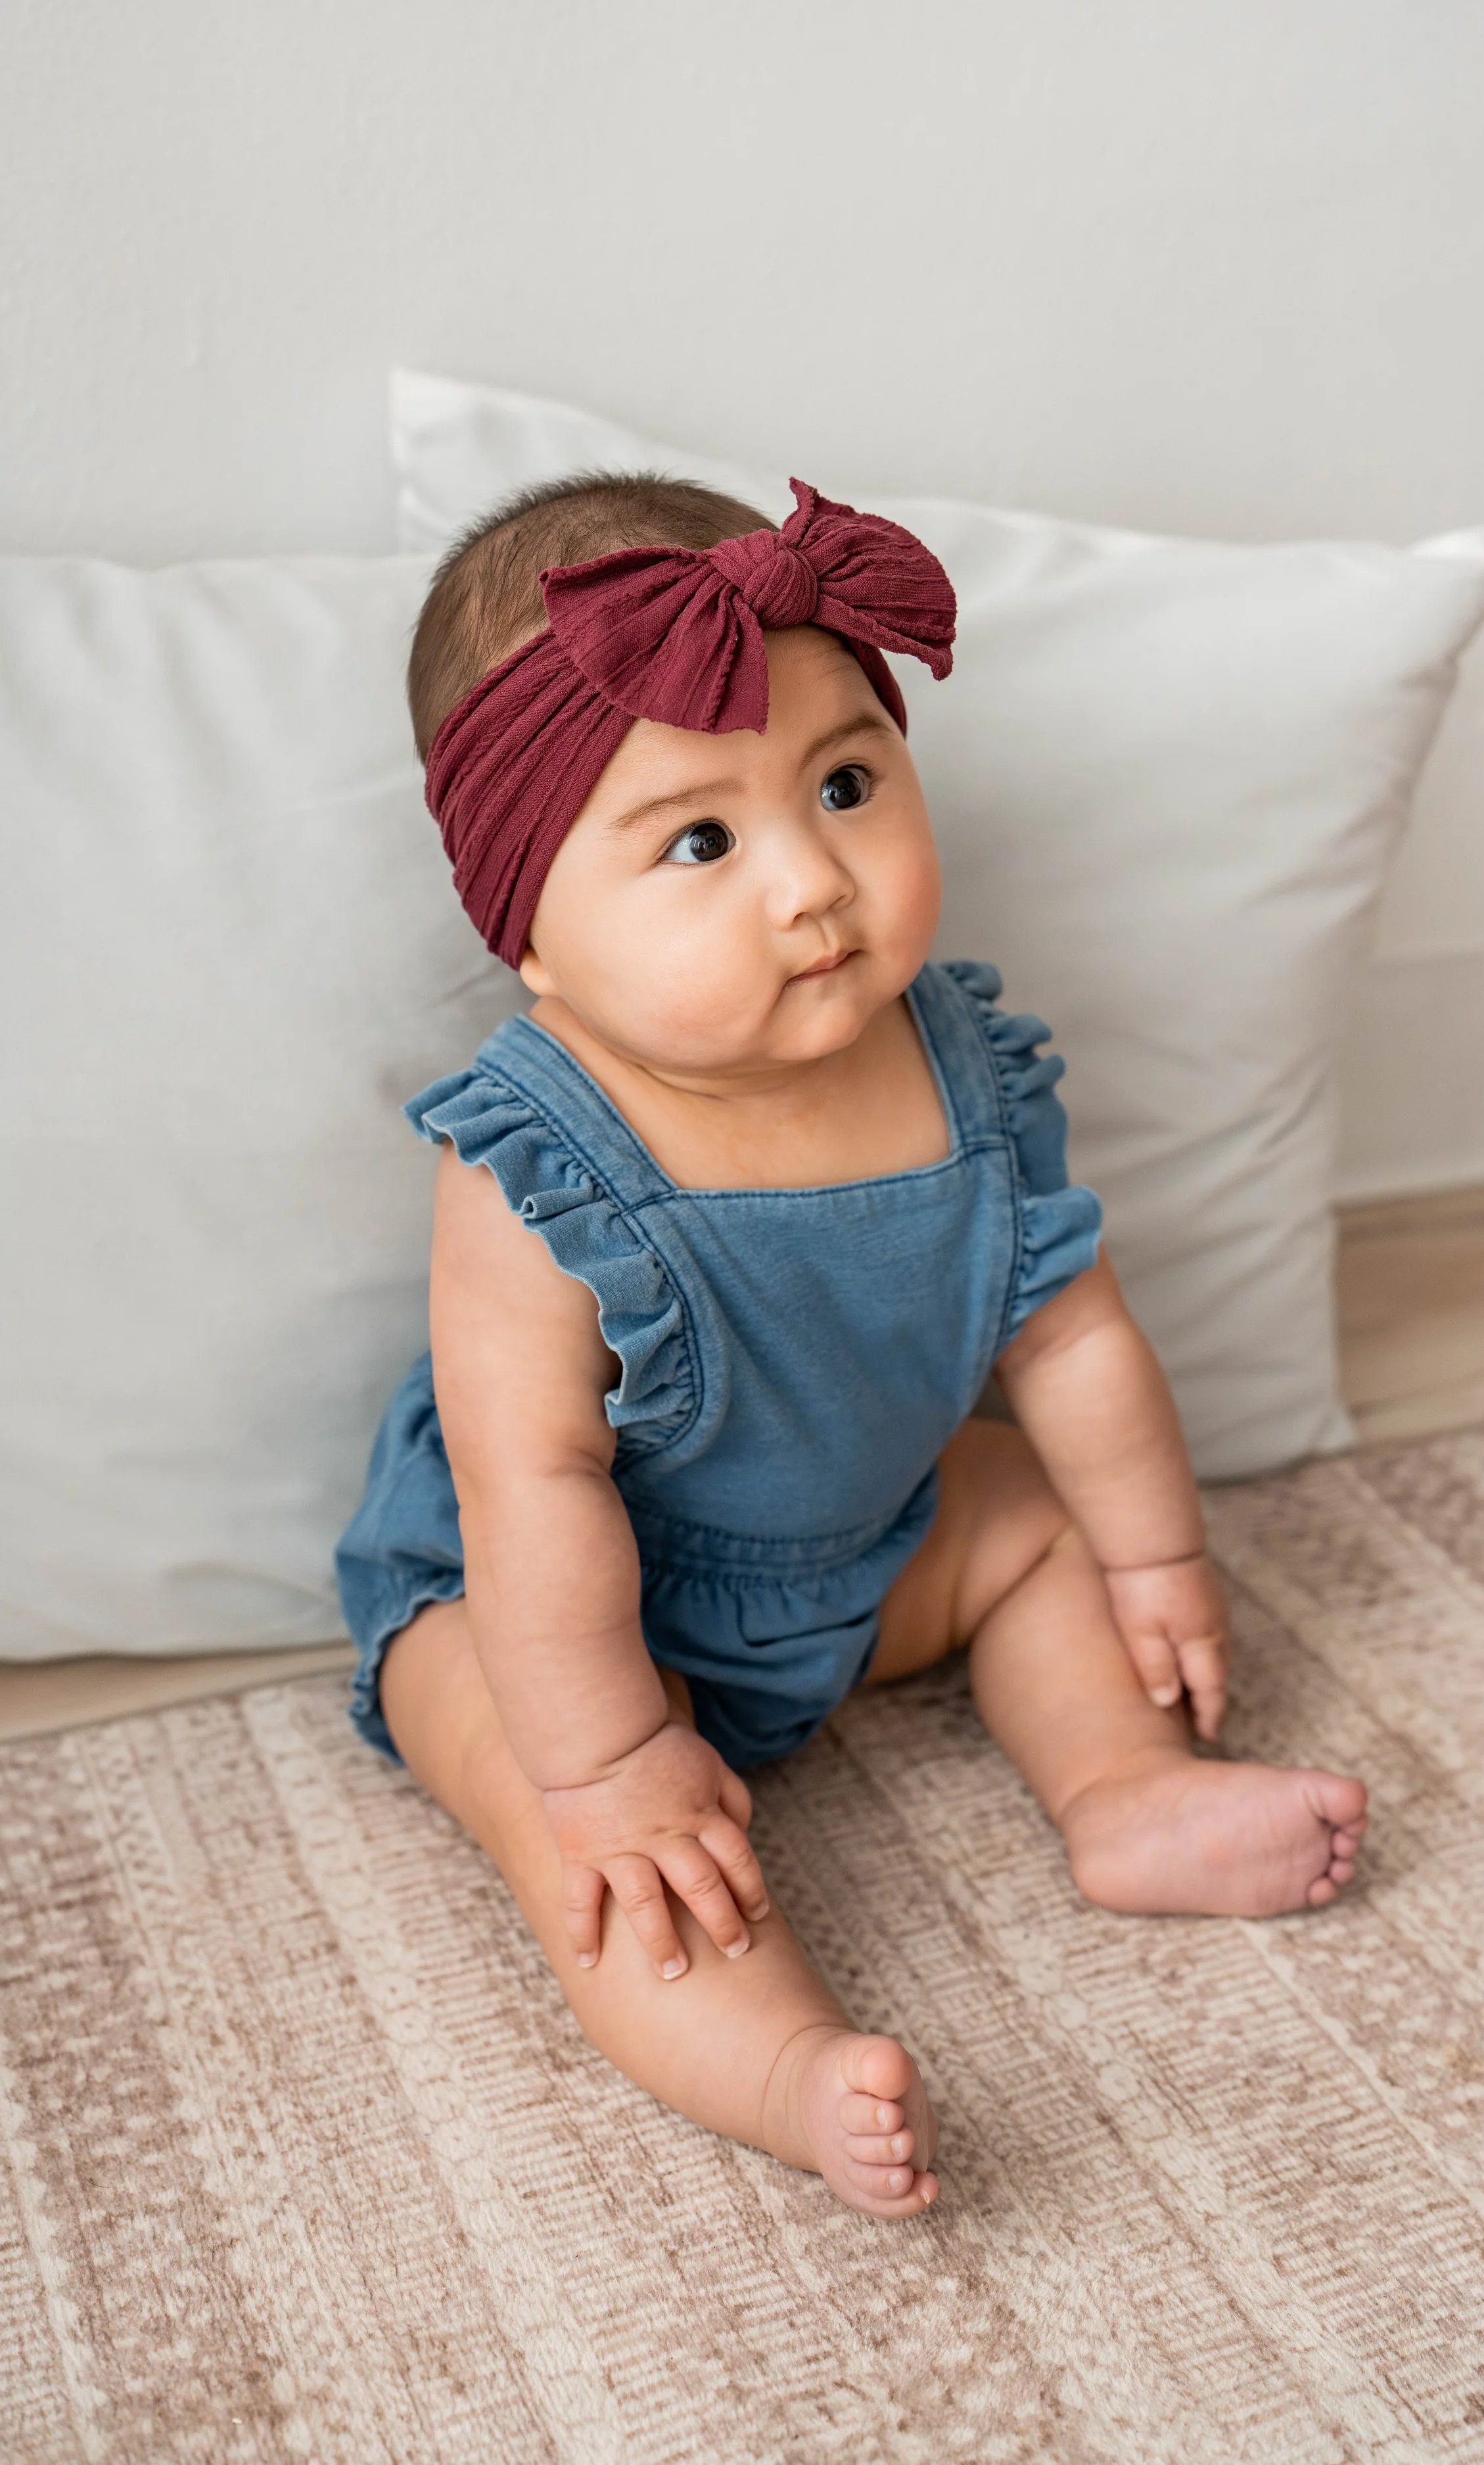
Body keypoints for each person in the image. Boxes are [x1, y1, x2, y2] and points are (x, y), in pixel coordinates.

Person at [338, 474, 1368, 2220]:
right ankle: (779, 2060)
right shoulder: (530, 1160)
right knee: (587, 1835)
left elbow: (1072, 1334)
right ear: (530, 933)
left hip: (866, 1548)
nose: (813, 882)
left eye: (844, 785)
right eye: (699, 842)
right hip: (551, 1609)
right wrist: (608, 1758)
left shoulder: (965, 1062)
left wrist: (1152, 1555)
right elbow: (531, 1482)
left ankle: (1124, 1785)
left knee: (1030, 1513)